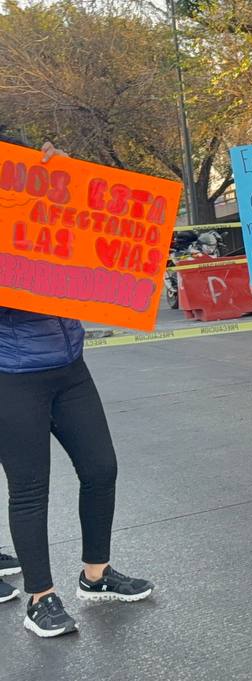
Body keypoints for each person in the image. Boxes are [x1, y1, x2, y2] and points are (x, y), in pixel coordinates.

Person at [0, 142, 156, 637]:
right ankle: (40, 599)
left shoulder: (39, 195)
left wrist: (70, 177)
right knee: (29, 489)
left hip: (69, 364)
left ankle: (96, 574)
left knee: (101, 468)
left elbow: (99, 229)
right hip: (12, 373)